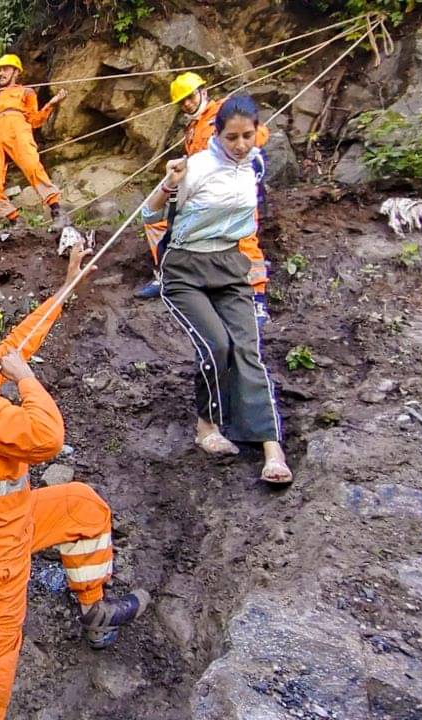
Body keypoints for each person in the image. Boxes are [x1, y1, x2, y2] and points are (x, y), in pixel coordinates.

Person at [0, 241, 149, 720]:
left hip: (11, 519)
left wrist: (67, 284)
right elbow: (46, 438)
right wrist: (27, 380)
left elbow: (18, 344)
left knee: (83, 507)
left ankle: (95, 612)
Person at [141, 94, 292, 485]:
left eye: (247, 135)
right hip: (185, 268)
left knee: (247, 349)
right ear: (217, 134)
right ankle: (207, 426)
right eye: (232, 137)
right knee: (217, 346)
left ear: (258, 131)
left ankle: (269, 444)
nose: (240, 145)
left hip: (229, 265)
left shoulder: (255, 164)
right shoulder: (197, 167)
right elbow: (150, 213)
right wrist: (168, 183)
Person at [136, 72, 272, 304]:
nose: (187, 104)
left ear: (203, 92)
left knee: (243, 238)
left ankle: (258, 298)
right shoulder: (193, 128)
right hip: (203, 191)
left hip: (232, 187)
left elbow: (259, 134)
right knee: (159, 222)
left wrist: (233, 149)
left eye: (190, 97)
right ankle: (169, 276)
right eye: (183, 102)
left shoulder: (224, 112)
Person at [0, 54, 70, 231]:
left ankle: (57, 211)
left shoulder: (26, 92)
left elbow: (35, 120)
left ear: (16, 72)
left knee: (31, 165)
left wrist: (51, 104)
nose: (1, 73)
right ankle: (15, 220)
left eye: (5, 69)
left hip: (16, 127)